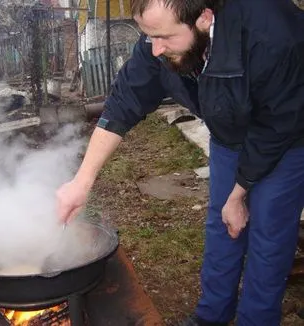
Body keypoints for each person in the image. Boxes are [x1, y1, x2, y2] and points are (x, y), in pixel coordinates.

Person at [56, 0, 304, 325]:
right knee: (223, 223)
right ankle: (212, 315)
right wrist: (81, 182)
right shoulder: (162, 37)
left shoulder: (274, 36)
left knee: (268, 235)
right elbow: (124, 101)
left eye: (164, 38)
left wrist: (239, 193)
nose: (155, 49)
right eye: (149, 36)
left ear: (204, 17)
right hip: (229, 131)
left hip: (285, 136)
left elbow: (279, 123)